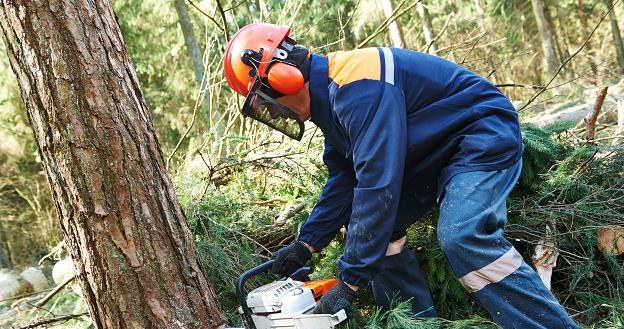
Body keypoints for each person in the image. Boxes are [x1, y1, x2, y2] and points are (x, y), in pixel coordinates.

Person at [222, 22, 578, 329]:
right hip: (433, 153)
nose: (271, 111)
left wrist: (349, 283)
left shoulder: (357, 87)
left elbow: (378, 186)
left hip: (480, 135)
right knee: (382, 231)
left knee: (462, 236)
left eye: (264, 100)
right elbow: (344, 182)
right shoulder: (330, 100)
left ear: (283, 77)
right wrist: (306, 243)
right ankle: (414, 322)